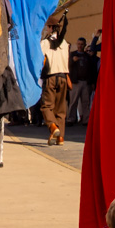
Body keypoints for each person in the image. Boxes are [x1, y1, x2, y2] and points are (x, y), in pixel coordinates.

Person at [40, 15, 71, 146]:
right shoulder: (65, 43)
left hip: (51, 77)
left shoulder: (45, 43)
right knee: (61, 108)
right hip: (63, 77)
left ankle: (53, 127)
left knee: (47, 106)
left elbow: (40, 60)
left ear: (50, 27)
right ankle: (61, 137)